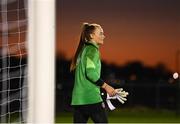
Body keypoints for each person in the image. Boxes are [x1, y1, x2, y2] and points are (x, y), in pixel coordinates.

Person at [70, 22, 117, 123]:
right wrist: (106, 86)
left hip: (78, 99)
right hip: (91, 98)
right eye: (100, 33)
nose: (103, 36)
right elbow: (90, 73)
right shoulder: (92, 50)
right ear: (92, 36)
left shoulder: (83, 50)